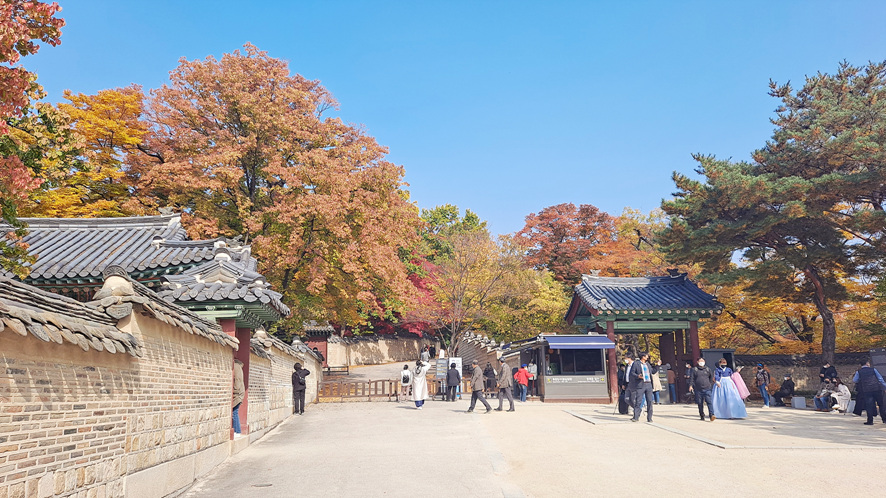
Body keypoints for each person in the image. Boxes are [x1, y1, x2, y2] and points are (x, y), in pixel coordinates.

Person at [852, 359, 886, 425]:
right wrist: (885, 386)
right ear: (867, 363)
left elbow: (855, 380)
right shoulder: (873, 370)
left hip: (867, 390)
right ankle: (884, 419)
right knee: (881, 404)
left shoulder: (859, 372)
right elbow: (880, 379)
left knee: (869, 405)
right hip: (876, 388)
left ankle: (870, 421)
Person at [629, 352, 654, 423]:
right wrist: (638, 376)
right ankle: (636, 417)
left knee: (649, 401)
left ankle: (649, 417)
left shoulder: (648, 364)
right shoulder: (636, 364)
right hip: (640, 384)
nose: (647, 357)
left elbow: (652, 371)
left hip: (648, 384)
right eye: (646, 356)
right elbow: (632, 373)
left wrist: (657, 366)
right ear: (643, 357)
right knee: (638, 401)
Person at [232, 358, 245, 436]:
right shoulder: (239, 367)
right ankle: (237, 431)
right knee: (235, 412)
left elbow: (237, 380)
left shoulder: (236, 366)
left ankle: (237, 431)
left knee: (234, 413)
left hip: (238, 394)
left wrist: (234, 391)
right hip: (240, 393)